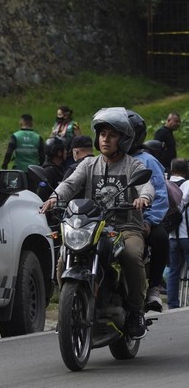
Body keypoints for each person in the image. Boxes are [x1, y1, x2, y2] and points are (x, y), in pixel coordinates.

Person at [41, 107, 154, 339]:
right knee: (64, 258)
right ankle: (70, 310)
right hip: (93, 226)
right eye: (103, 134)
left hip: (125, 228)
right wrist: (54, 198)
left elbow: (146, 185)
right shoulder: (89, 164)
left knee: (132, 256)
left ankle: (135, 312)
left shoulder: (133, 165)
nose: (106, 139)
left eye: (112, 135)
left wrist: (144, 197)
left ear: (123, 139)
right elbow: (70, 184)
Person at [126, 109, 169, 313]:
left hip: (141, 220)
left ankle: (153, 287)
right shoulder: (102, 161)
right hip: (110, 221)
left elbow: (159, 195)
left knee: (161, 239)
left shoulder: (148, 161)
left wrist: (149, 221)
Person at [167, 157, 189, 309]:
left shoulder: (165, 185)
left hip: (171, 235)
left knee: (173, 270)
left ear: (171, 169)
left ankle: (173, 304)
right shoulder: (188, 184)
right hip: (186, 234)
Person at [34, 137, 66, 202]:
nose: (66, 152)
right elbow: (42, 194)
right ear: (59, 153)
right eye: (64, 149)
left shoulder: (59, 169)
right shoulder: (48, 171)